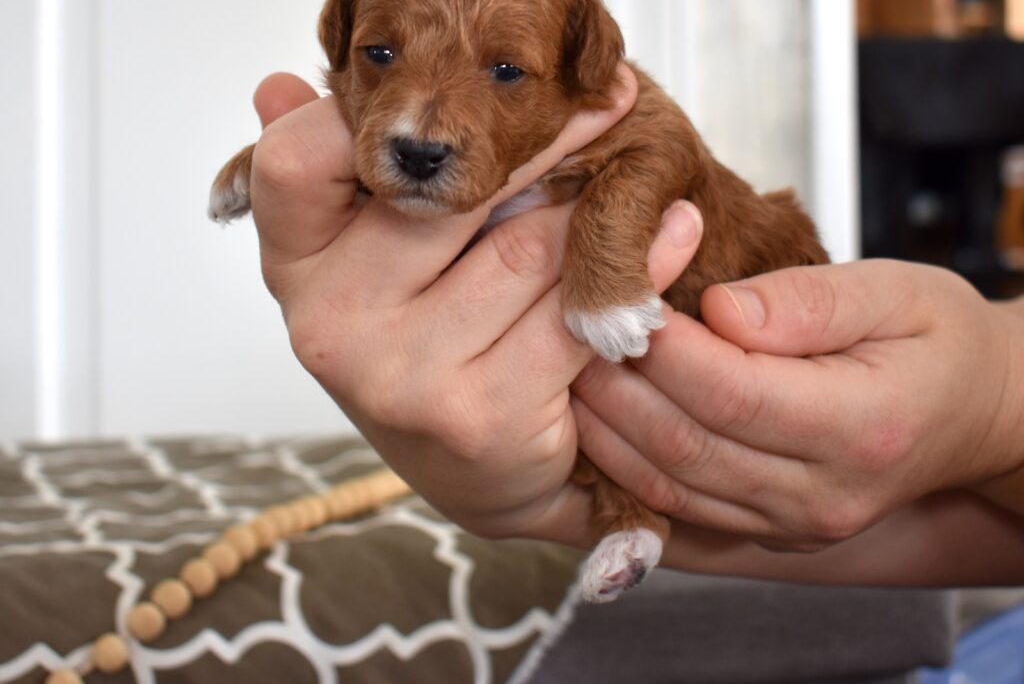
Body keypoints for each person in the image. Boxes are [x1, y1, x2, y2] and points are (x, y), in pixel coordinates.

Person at [245, 65, 1024, 587]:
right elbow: (884, 513)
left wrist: (993, 407)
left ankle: (630, 516)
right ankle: (630, 519)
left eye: (507, 70)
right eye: (379, 53)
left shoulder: (628, 119)